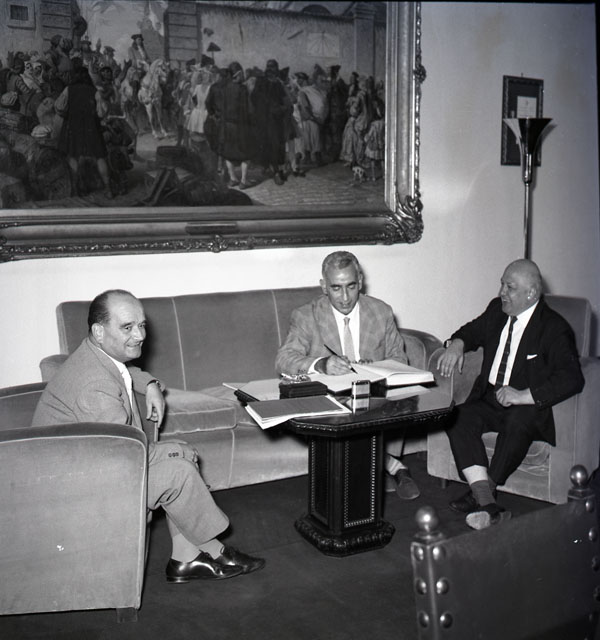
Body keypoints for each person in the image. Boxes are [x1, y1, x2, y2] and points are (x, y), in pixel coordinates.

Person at [32, 289, 265, 582]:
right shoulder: (94, 387)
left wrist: (150, 384)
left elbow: (124, 371)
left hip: (83, 466)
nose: (140, 335)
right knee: (179, 470)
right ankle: (213, 549)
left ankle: (186, 558)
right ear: (99, 331)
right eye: (127, 327)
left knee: (182, 454)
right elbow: (126, 454)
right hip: (75, 490)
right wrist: (173, 451)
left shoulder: (93, 355)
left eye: (141, 325)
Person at [436, 259, 584, 530]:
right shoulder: (497, 310)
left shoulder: (554, 327)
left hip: (527, 408)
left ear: (531, 293)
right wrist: (456, 344)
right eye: (502, 284)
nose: (501, 292)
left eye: (510, 287)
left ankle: (482, 496)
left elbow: (572, 377)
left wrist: (524, 395)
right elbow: (471, 331)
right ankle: (489, 505)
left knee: (517, 422)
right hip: (490, 398)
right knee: (456, 417)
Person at [275, 251, 420, 500]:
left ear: (360, 281)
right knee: (345, 425)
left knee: (384, 409)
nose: (345, 298)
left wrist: (376, 367)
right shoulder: (306, 315)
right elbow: (283, 360)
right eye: (336, 288)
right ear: (324, 286)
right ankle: (391, 465)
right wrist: (321, 364)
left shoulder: (381, 312)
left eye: (351, 286)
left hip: (372, 399)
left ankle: (379, 468)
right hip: (329, 401)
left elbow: (400, 360)